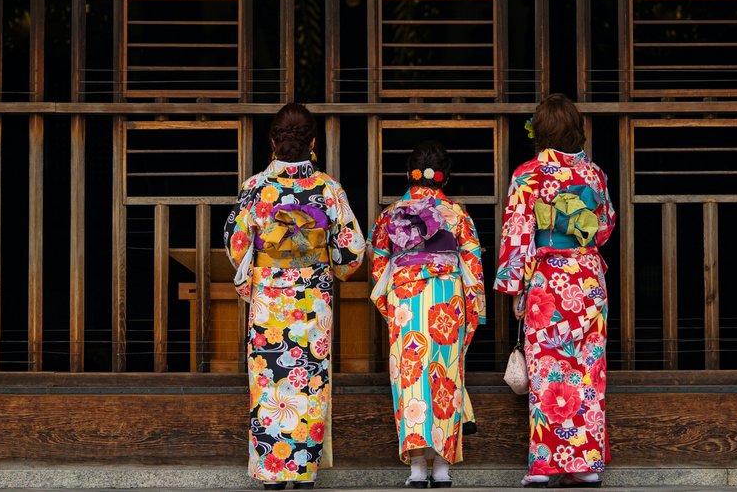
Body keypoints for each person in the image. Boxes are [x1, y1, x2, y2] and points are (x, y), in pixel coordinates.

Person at [225, 103, 366, 490]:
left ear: (272, 140)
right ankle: (303, 470)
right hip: (311, 301)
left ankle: (272, 472)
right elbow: (352, 251)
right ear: (314, 142)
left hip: (269, 298)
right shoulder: (328, 189)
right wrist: (330, 264)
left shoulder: (255, 188)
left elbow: (236, 244)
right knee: (308, 383)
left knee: (269, 382)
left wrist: (253, 276)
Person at [494, 94, 615, 488]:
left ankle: (546, 464)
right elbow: (606, 226)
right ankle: (586, 464)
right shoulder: (594, 174)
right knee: (587, 370)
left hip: (549, 281)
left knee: (548, 370)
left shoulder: (528, 174)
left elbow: (517, 233)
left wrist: (515, 285)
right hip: (588, 278)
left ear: (540, 131)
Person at [368, 141, 486, 488]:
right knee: (446, 376)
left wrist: (390, 305)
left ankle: (417, 468)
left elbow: (378, 265)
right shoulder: (457, 214)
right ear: (444, 178)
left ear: (409, 175)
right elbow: (474, 266)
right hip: (447, 298)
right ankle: (443, 468)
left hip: (406, 299)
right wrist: (471, 310)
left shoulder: (391, 214)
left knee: (411, 377)